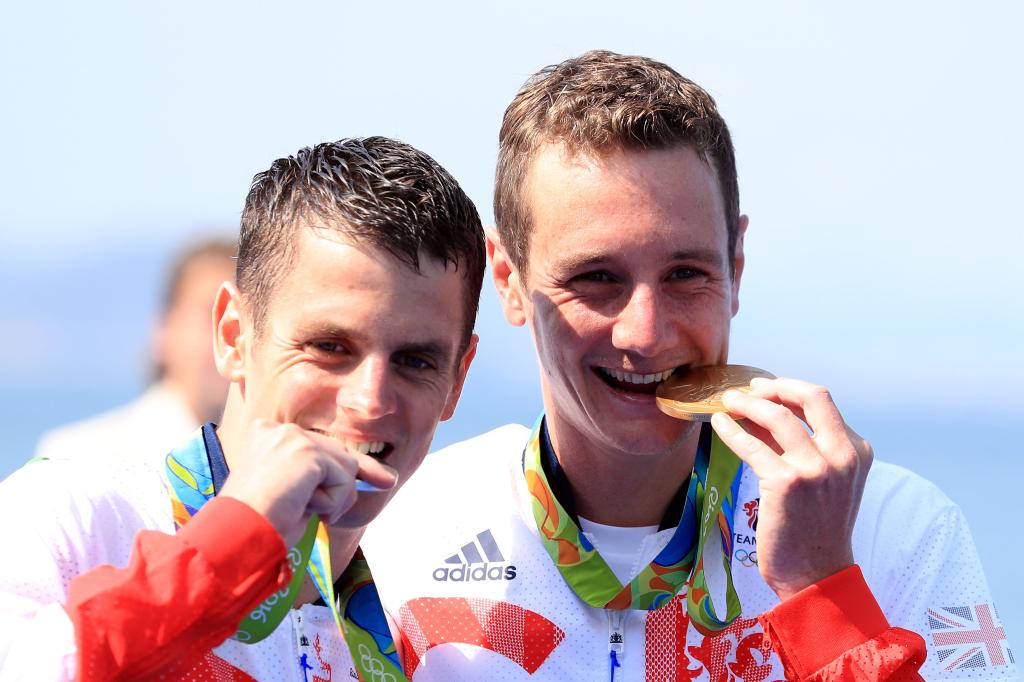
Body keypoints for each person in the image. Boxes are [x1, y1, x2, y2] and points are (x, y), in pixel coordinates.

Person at [362, 51, 1016, 681]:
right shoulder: (396, 534)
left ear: (735, 266)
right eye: (596, 278)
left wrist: (822, 593)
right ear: (507, 278)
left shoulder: (896, 529)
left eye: (685, 273)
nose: (645, 334)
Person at [0, 137, 485, 680]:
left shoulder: (437, 632)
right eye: (330, 347)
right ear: (233, 336)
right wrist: (232, 543)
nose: (369, 401)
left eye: (415, 361)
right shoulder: (74, 518)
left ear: (457, 380)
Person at [34, 238, 235, 461]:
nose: (234, 339)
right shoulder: (76, 455)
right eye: (214, 315)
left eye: (250, 320)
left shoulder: (264, 464)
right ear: (164, 330)